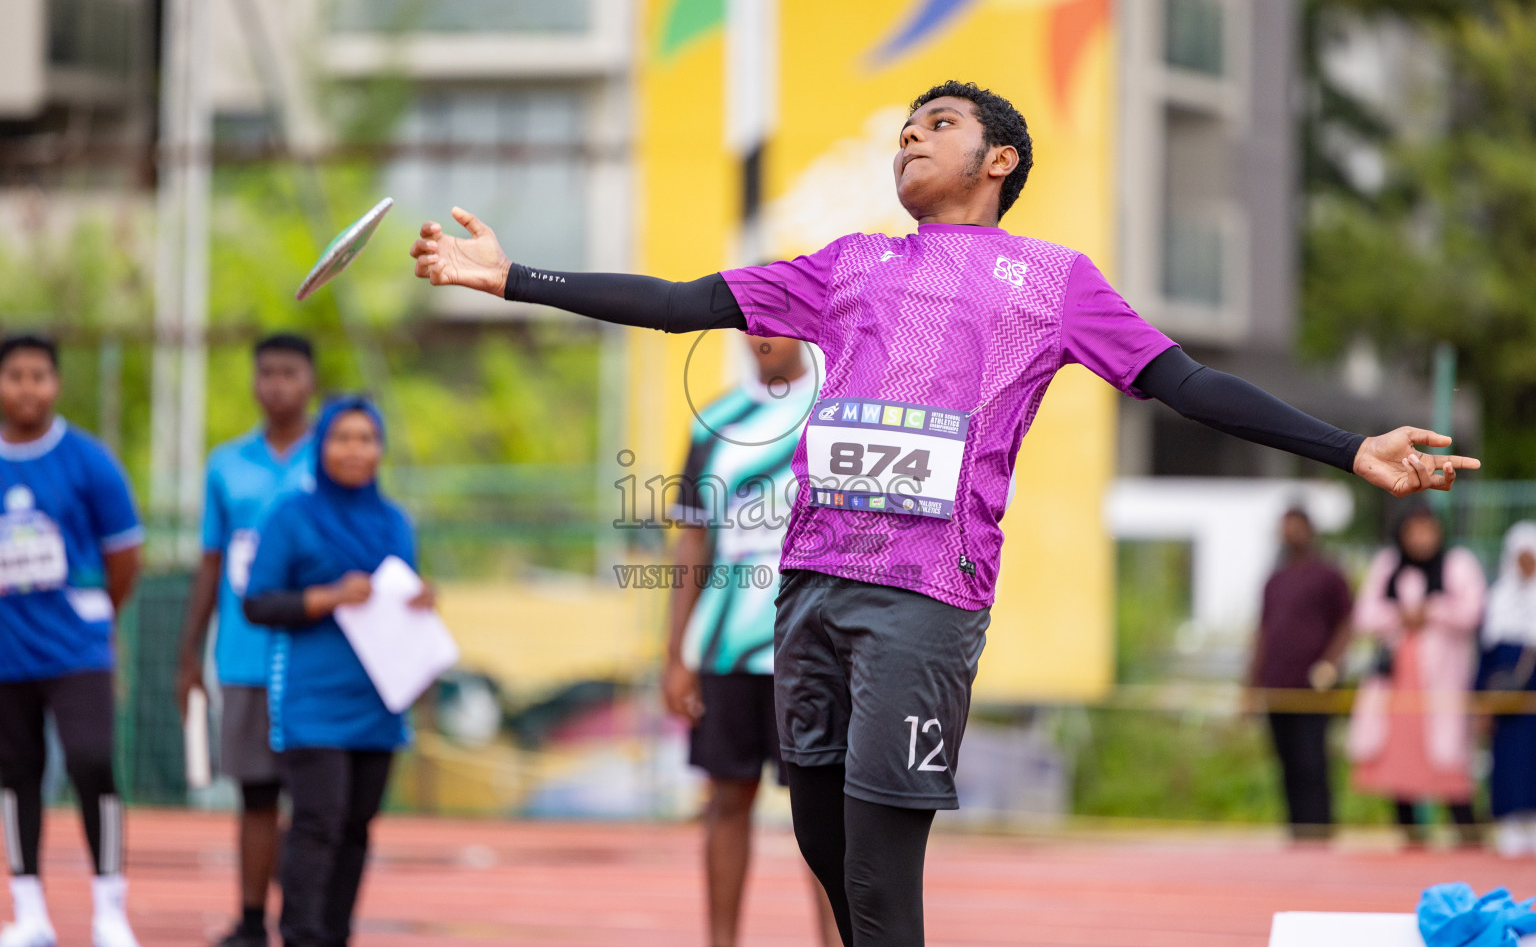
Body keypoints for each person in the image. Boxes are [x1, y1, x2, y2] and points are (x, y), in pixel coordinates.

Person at [408, 79, 1477, 946]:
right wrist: (516, 279)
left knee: (879, 876)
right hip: (810, 586)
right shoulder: (851, 263)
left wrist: (1349, 448)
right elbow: (686, 302)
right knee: (826, 851)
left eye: (938, 126)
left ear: (998, 158)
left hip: (925, 597)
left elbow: (1189, 386)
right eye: (904, 129)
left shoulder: (1054, 281)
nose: (909, 140)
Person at [665, 333, 839, 947]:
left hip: (815, 650)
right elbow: (692, 542)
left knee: (824, 814)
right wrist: (676, 657)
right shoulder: (713, 423)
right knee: (726, 800)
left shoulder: (835, 410)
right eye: (752, 322)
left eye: (779, 318)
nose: (765, 333)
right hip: (727, 651)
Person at [242, 397, 433, 947]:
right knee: (317, 821)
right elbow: (258, 602)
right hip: (313, 701)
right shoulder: (291, 516)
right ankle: (300, 935)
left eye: (366, 439)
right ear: (321, 447)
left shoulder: (395, 521)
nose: (355, 450)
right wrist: (328, 597)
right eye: (341, 438)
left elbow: (400, 593)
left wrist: (423, 600)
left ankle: (335, 934)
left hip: (379, 700)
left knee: (356, 827)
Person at [0, 334, 144, 947]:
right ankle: (28, 908)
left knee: (91, 761)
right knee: (16, 774)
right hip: (7, 650)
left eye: (39, 375)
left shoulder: (87, 459)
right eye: (14, 375)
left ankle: (109, 907)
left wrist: (96, 613)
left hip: (78, 649)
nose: (27, 387)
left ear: (56, 383)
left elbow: (126, 554)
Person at [175, 333, 317, 947]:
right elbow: (210, 563)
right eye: (266, 373)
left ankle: (309, 922)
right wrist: (188, 655)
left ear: (310, 380)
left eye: (289, 372)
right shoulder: (226, 464)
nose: (277, 385)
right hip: (245, 656)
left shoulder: (335, 455)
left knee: (315, 804)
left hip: (316, 657)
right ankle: (253, 922)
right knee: (256, 795)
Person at [1348, 505, 1485, 848]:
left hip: (1441, 682)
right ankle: (1410, 839)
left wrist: (1433, 611)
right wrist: (1401, 615)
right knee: (1399, 763)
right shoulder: (1388, 564)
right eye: (1414, 530)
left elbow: (1472, 612)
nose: (1421, 538)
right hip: (1396, 683)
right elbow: (1364, 615)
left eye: (1428, 529)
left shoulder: (1458, 564)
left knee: (1449, 766)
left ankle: (1469, 840)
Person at [1246, 507, 1354, 841]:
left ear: (1310, 530)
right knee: (1287, 763)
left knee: (1313, 763)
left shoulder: (1329, 575)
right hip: (1277, 686)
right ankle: (1295, 832)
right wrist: (1251, 684)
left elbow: (1346, 623)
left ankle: (1319, 832)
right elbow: (1263, 632)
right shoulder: (1274, 580)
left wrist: (1330, 663)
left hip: (1313, 689)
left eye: (1296, 526)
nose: (1290, 532)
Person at [1476, 521, 1536, 856]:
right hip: (1508, 710)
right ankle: (1510, 833)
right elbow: (1485, 660)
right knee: (1509, 769)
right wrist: (1483, 704)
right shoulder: (1498, 599)